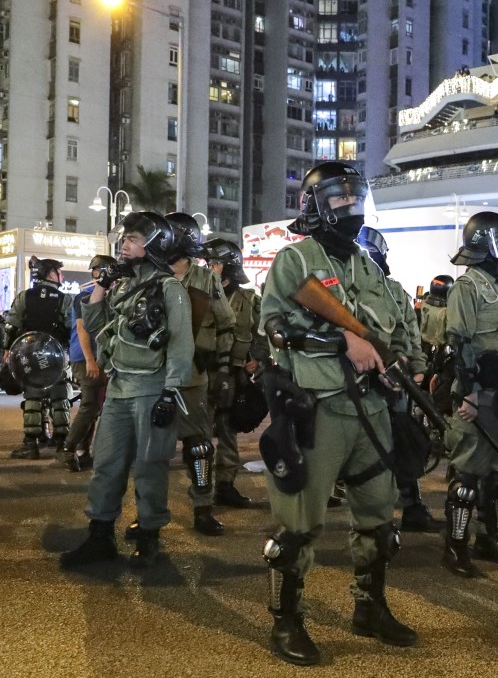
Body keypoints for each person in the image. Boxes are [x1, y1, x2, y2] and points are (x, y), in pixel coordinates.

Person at [259, 161, 417, 666]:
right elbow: (276, 329)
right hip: (320, 405)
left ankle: (369, 608)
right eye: (338, 200)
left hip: (370, 407)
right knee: (299, 523)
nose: (350, 208)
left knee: (378, 518)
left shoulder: (368, 266)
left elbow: (390, 330)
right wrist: (340, 339)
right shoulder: (295, 259)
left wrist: (398, 363)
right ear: (314, 204)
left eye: (356, 199)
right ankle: (287, 620)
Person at [60, 212, 193, 569]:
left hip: (152, 389)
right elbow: (96, 324)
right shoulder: (123, 286)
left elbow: (181, 344)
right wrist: (102, 284)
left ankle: (149, 537)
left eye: (133, 239)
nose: (124, 244)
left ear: (153, 246)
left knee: (150, 467)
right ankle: (100, 535)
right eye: (125, 237)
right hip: (119, 387)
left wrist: (171, 391)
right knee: (106, 465)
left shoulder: (169, 288)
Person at [441, 211, 498, 577]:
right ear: (486, 244)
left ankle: (489, 538)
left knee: (496, 477)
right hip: (477, 394)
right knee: (466, 478)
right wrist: (469, 395)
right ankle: (455, 545)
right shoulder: (468, 286)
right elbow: (457, 346)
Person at [357, 225, 443, 534]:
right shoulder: (340, 286)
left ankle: (411, 507)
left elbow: (409, 331)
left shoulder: (394, 290)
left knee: (404, 441)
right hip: (354, 383)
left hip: (396, 381)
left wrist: (417, 369)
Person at [163, 212, 236, 536]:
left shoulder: (206, 279)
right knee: (148, 450)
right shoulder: (152, 275)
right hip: (154, 374)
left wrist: (223, 370)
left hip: (194, 374)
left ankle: (202, 508)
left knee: (199, 447)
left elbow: (226, 324)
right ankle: (148, 516)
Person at [203, 238, 268, 508]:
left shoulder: (250, 299)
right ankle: (201, 489)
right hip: (203, 374)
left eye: (215, 263)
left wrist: (258, 361)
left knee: (229, 432)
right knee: (201, 434)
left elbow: (262, 336)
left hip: (233, 375)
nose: (209, 267)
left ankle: (225, 486)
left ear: (229, 266)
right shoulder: (199, 293)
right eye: (208, 263)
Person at [5, 258, 73, 459]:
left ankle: (31, 445)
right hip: (57, 354)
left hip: (30, 354)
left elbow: (11, 325)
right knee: (60, 396)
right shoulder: (64, 299)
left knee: (33, 397)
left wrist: (7, 348)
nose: (61, 275)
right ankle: (62, 442)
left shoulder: (24, 297)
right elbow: (71, 327)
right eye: (58, 272)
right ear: (50, 274)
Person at [62, 255, 118, 471]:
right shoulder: (85, 296)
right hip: (86, 358)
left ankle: (83, 452)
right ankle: (68, 449)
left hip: (99, 358)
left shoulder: (110, 295)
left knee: (94, 406)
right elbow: (82, 329)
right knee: (90, 405)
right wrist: (90, 360)